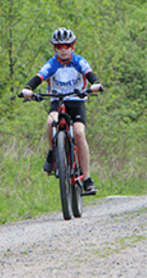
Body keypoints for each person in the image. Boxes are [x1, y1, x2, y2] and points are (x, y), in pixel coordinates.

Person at [21, 27, 103, 195]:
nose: (63, 50)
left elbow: (89, 73)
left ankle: (87, 179)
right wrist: (28, 88)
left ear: (73, 47)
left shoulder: (79, 61)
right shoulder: (52, 63)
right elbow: (40, 76)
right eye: (59, 47)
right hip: (57, 100)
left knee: (79, 133)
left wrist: (95, 84)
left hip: (77, 101)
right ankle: (53, 153)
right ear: (55, 49)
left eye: (67, 46)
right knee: (51, 121)